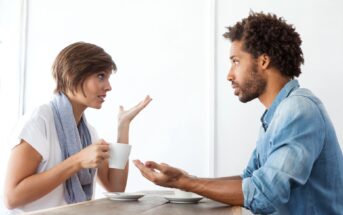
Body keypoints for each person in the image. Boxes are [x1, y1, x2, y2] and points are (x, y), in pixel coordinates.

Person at [134, 12, 343, 214]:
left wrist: (185, 183)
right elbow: (249, 179)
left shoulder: (298, 110)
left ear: (263, 61)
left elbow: (264, 194)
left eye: (236, 61)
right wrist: (188, 179)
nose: (229, 75)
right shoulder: (276, 115)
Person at [4, 42, 152, 213]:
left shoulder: (89, 133)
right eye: (101, 76)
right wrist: (77, 161)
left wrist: (123, 127)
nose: (108, 86)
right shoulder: (40, 121)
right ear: (73, 74)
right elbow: (11, 197)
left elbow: (116, 188)